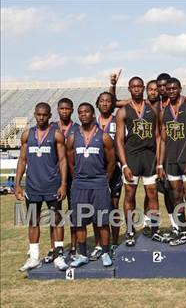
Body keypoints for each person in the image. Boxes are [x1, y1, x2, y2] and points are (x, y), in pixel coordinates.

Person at [15, 102, 68, 271]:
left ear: (50, 116)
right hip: (33, 186)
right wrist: (17, 184)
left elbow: (63, 160)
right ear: (34, 114)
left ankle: (58, 256)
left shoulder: (57, 135)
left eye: (44, 115)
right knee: (33, 221)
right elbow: (22, 160)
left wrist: (63, 184)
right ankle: (34, 257)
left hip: (52, 185)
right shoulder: (26, 135)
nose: (41, 117)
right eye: (38, 114)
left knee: (56, 221)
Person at [67, 103, 115, 268]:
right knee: (80, 221)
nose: (83, 115)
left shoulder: (104, 136)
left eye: (87, 112)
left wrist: (104, 179)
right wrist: (77, 177)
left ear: (93, 114)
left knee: (102, 221)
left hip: (99, 184)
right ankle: (82, 254)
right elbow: (70, 160)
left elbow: (111, 161)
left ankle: (105, 253)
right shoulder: (73, 137)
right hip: (80, 184)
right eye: (80, 113)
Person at [115, 76, 161, 246]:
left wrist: (159, 161)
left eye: (139, 86)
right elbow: (119, 140)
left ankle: (154, 229)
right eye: (133, 87)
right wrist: (124, 164)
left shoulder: (152, 109)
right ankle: (129, 230)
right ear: (129, 89)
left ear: (143, 88)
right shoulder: (123, 111)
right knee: (130, 195)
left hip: (149, 157)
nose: (136, 89)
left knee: (152, 194)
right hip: (132, 157)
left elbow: (157, 136)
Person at [158, 77, 186, 248]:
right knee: (176, 195)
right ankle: (182, 230)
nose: (171, 91)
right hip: (171, 160)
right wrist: (160, 164)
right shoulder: (164, 112)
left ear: (180, 89)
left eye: (174, 88)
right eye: (169, 89)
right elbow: (162, 139)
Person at [89, 92, 123, 260]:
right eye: (101, 101)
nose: (105, 103)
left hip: (114, 170)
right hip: (95, 171)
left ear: (112, 104)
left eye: (108, 101)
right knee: (96, 211)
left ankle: (115, 242)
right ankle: (98, 244)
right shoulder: (91, 123)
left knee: (113, 208)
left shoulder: (118, 120)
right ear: (97, 104)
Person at [50, 98, 80, 260]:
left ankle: (74, 246)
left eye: (67, 109)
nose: (64, 111)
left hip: (73, 176)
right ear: (57, 110)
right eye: (61, 108)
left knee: (74, 213)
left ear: (72, 110)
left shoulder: (78, 129)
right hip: (55, 176)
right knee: (55, 214)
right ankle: (54, 247)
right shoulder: (52, 128)